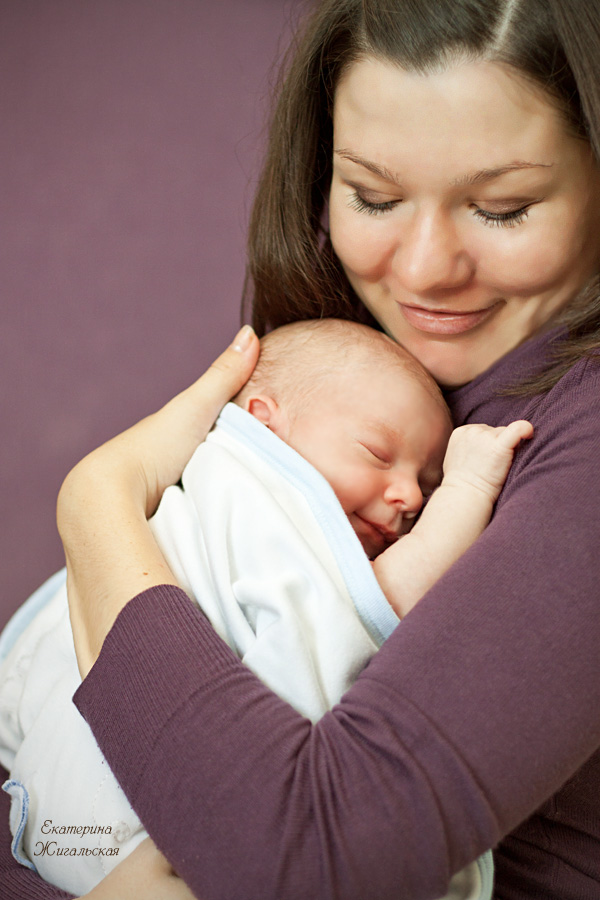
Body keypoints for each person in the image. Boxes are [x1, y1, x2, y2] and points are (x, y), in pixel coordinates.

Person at [3, 0, 600, 897]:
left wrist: (96, 502)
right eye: (374, 196)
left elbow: (302, 859)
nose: (427, 267)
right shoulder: (367, 374)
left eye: (501, 208)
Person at [0, 317, 531, 897]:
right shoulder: (248, 493)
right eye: (379, 454)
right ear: (261, 420)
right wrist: (467, 490)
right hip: (127, 818)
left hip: (63, 829)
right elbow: (379, 596)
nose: (407, 499)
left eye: (428, 489)